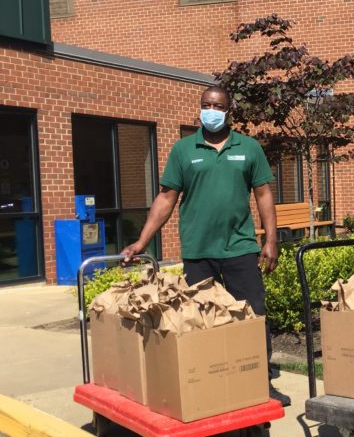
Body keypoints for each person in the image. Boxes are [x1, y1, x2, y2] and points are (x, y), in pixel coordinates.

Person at [120, 85, 290, 406]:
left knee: (252, 316)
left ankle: (259, 381)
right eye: (206, 105)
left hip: (240, 248)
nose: (211, 110)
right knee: (199, 318)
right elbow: (166, 198)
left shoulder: (249, 148)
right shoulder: (184, 150)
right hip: (198, 250)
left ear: (229, 111)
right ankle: (208, 380)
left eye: (218, 105)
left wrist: (270, 239)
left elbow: (264, 194)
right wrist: (142, 241)